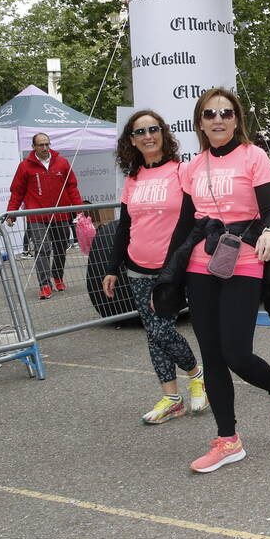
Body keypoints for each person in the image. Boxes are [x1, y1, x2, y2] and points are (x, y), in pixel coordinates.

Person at [167, 87, 270, 473]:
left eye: (225, 113)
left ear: (236, 119)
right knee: (211, 355)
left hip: (244, 260)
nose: (218, 119)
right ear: (200, 121)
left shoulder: (254, 156)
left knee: (236, 353)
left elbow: (269, 209)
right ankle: (228, 439)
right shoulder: (191, 167)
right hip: (200, 264)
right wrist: (166, 275)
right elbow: (183, 224)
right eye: (210, 114)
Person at [102, 110, 208, 426]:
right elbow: (124, 228)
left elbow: (193, 220)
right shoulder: (132, 179)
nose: (147, 136)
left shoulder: (181, 172)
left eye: (153, 129)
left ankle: (196, 374)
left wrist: (180, 261)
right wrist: (111, 267)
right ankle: (171, 398)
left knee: (161, 328)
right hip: (137, 267)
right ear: (131, 141)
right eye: (140, 132)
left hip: (172, 269)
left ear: (163, 133)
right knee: (153, 333)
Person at [6, 133, 83, 300]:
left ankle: (57, 276)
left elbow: (72, 187)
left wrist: (79, 210)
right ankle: (44, 284)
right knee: (42, 249)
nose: (44, 148)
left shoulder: (62, 162)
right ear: (33, 147)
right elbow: (17, 191)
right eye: (41, 145)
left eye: (47, 144)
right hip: (36, 216)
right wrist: (11, 213)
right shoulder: (24, 166)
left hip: (61, 214)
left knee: (61, 247)